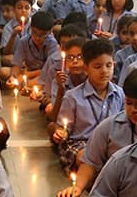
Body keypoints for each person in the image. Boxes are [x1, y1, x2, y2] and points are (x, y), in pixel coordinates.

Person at [58, 66, 137, 197]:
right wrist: (78, 187)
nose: (133, 109)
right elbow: (90, 162)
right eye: (129, 102)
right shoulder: (109, 127)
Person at [50, 39, 125, 173]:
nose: (104, 71)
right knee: (85, 157)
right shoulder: (72, 97)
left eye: (109, 65)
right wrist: (61, 133)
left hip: (110, 142)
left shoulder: (120, 94)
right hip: (81, 143)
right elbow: (64, 128)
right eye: (98, 67)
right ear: (86, 69)